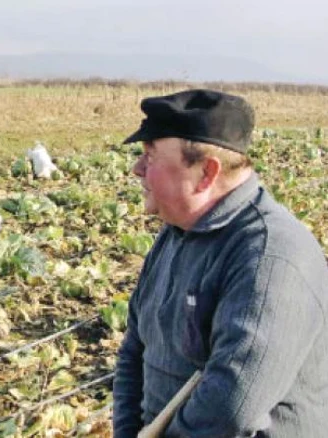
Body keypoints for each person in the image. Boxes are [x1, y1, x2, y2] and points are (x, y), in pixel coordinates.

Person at [113, 89, 328, 437]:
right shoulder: (175, 234)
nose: (137, 169)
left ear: (206, 173)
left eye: (150, 157)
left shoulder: (271, 257)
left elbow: (230, 409)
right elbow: (134, 351)